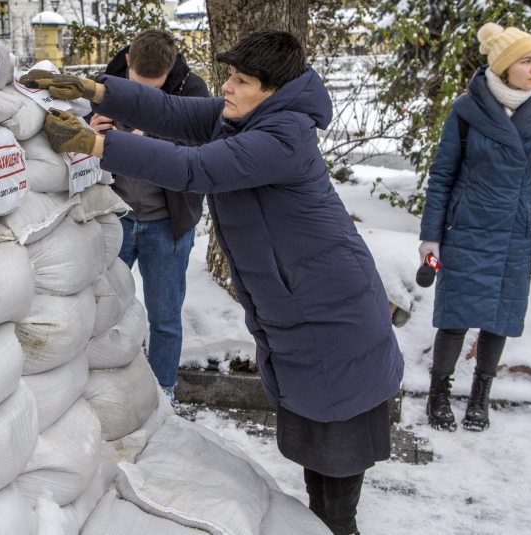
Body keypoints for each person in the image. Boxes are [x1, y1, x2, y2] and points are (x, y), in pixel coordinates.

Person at [20, 30, 403, 535]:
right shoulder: (242, 118)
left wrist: (95, 144)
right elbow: (171, 114)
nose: (226, 87)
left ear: (274, 89)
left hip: (331, 313)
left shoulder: (280, 138)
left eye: (240, 80)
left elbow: (193, 169)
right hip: (301, 308)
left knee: (337, 458)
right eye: (228, 76)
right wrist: (96, 91)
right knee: (319, 448)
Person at [419, 23, 531, 432]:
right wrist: (431, 236)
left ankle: (480, 396)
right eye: (526, 60)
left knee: (497, 317)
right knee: (454, 315)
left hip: (514, 234)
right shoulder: (466, 111)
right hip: (465, 229)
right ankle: (439, 393)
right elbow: (442, 175)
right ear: (503, 68)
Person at [90, 30, 210, 402]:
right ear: (127, 61)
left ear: (171, 69)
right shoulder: (102, 86)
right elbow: (72, 136)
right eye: (138, 87)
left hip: (168, 223)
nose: (143, 97)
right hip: (116, 216)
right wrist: (88, 128)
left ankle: (163, 394)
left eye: (153, 91)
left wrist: (151, 140)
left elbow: (202, 147)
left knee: (165, 319)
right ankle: (104, 391)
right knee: (101, 312)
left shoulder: (193, 92)